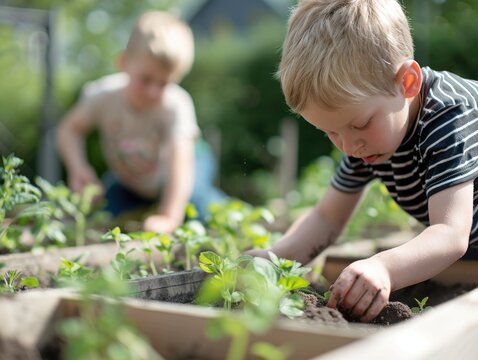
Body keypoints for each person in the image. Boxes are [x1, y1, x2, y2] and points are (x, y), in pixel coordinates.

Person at [249, 0, 478, 322]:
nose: (347, 145)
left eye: (358, 125)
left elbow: (450, 234)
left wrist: (383, 266)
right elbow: (328, 217)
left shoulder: (448, 116)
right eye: (330, 132)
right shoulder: (368, 139)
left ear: (407, 83)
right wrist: (272, 259)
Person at [56, 11, 225, 233]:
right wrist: (78, 168)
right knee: (104, 213)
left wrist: (169, 216)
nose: (153, 91)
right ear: (124, 62)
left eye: (164, 83)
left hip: (186, 165)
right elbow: (69, 130)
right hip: (132, 181)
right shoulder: (102, 96)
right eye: (146, 79)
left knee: (196, 207)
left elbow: (181, 167)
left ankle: (230, 210)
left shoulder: (176, 105)